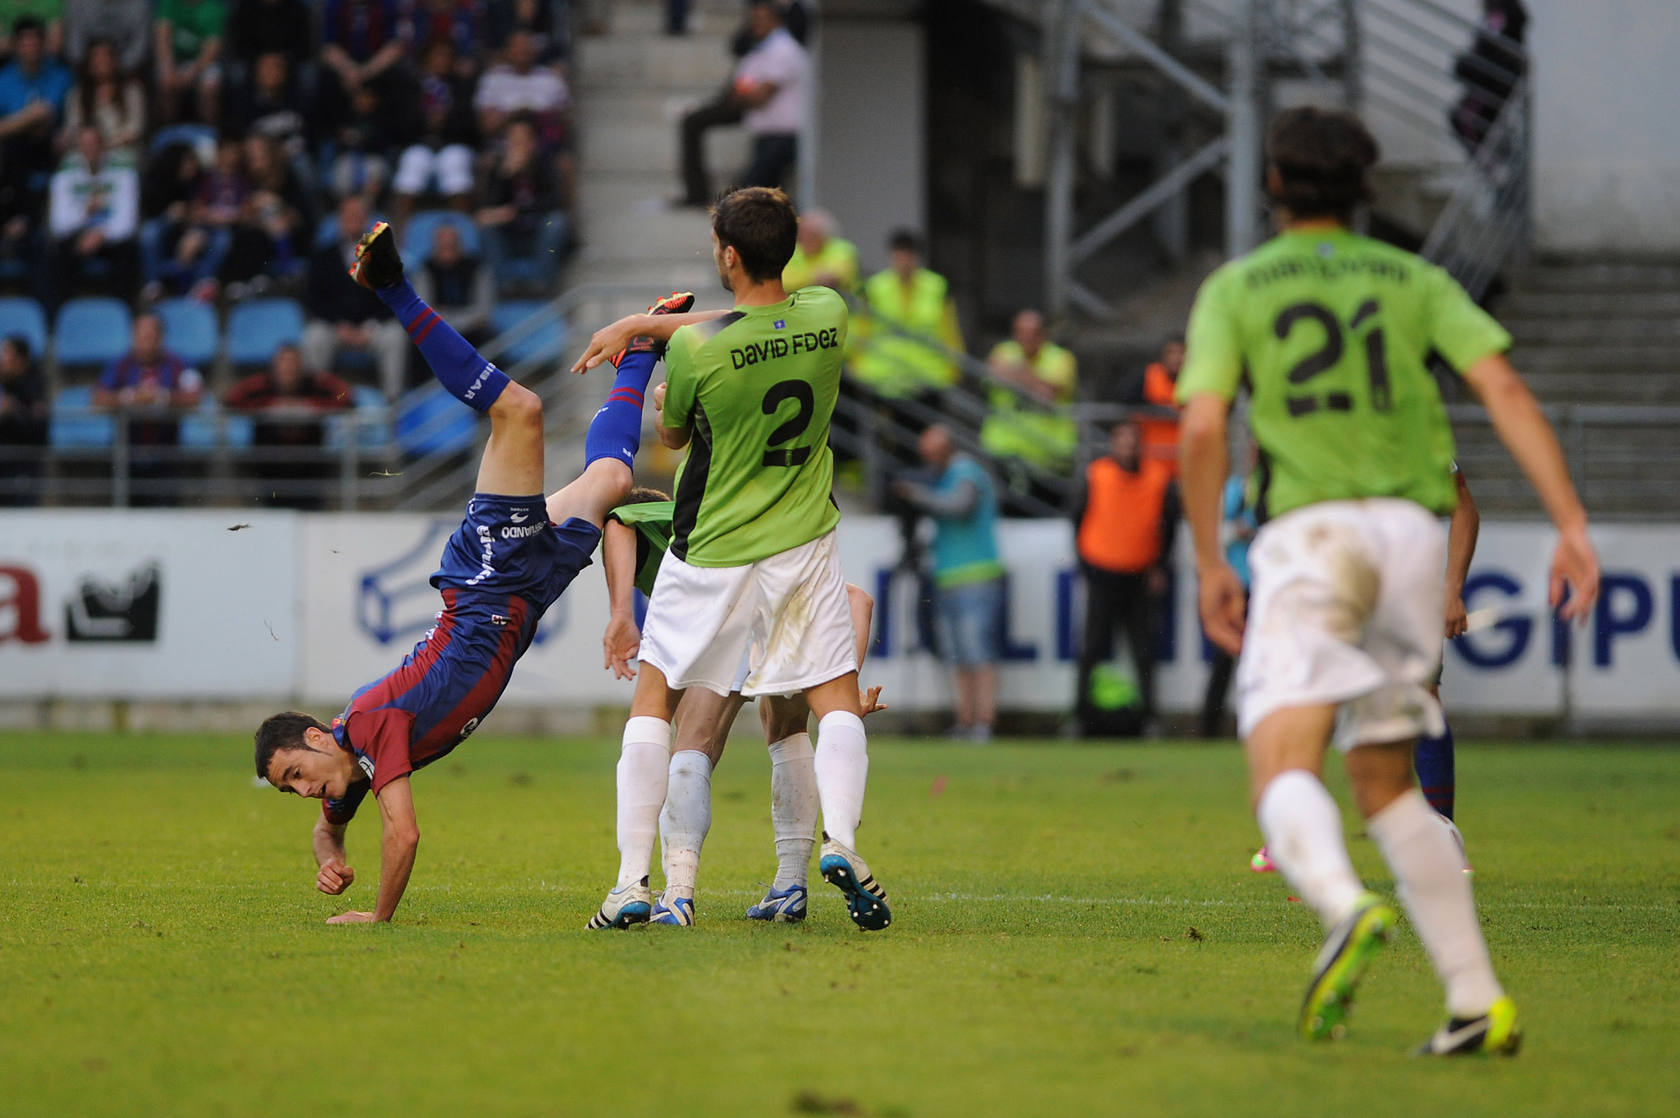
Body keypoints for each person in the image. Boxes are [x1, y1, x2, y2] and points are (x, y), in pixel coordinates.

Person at [1177, 105, 1598, 1055]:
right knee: (1387, 779)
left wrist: (1209, 559)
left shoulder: (1239, 287)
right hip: (1414, 533)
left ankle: (1339, 908)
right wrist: (1571, 523)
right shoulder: (1414, 279)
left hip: (1313, 533)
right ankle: (1474, 999)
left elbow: (1202, 429)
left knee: (1281, 761)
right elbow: (1505, 390)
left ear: (1275, 187)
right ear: (1365, 190)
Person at [253, 221, 682, 924]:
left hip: (488, 582)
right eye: (290, 790)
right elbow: (330, 824)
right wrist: (328, 853)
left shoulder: (367, 726)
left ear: (317, 739)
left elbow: (405, 834)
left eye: (296, 775)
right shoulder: (343, 766)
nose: (305, 792)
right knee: (610, 477)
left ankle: (389, 288)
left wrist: (378, 918)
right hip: (526, 600)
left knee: (520, 411)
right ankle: (641, 348)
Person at [571, 186, 889, 933]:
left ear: (727, 254)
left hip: (712, 551)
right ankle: (838, 843)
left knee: (655, 704)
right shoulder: (827, 314)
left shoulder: (695, 348)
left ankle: (632, 883)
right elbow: (756, 321)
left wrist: (644, 327)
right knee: (832, 701)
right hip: (803, 541)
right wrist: (648, 319)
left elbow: (675, 437)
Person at [599, 482, 883, 924]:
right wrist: (848, 696)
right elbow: (858, 600)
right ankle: (791, 886)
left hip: (728, 598)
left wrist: (619, 612)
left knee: (693, 743)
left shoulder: (672, 521)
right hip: (780, 599)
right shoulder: (777, 529)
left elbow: (619, 519)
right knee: (787, 730)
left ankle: (677, 895)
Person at [890, 424, 1004, 742]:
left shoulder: (965, 470)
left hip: (976, 574)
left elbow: (961, 506)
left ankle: (983, 720)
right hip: (950, 574)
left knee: (977, 651)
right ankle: (966, 720)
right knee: (959, 653)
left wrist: (916, 494)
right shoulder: (948, 475)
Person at [1072, 418, 1175, 736]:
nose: (1127, 448)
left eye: (1132, 442)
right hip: (1102, 572)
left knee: (1144, 649)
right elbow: (1076, 517)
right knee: (1091, 646)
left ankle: (1150, 719)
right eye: (1121, 441)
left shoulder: (1158, 477)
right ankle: (1080, 716)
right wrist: (1084, 563)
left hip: (1140, 574)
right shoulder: (1096, 474)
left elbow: (1170, 524)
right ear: (1113, 444)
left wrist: (1160, 565)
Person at [675, 0, 805, 207]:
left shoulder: (784, 49)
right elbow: (737, 92)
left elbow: (758, 97)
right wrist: (746, 93)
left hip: (783, 138)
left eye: (761, 19)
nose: (755, 24)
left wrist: (746, 94)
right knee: (763, 200)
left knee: (748, 197)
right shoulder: (758, 49)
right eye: (753, 20)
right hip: (765, 136)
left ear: (776, 21)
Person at [850, 228, 962, 467]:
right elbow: (862, 329)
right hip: (884, 380)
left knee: (926, 445)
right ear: (892, 256)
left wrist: (954, 366)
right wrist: (857, 363)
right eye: (899, 254)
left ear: (917, 257)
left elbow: (949, 329)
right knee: (888, 443)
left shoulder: (937, 286)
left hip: (926, 379)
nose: (904, 260)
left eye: (908, 255)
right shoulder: (874, 287)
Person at [222, 342, 353, 508]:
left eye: (293, 365)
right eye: (284, 365)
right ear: (274, 368)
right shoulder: (261, 385)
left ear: (302, 367)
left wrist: (312, 406)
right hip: (268, 473)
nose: (288, 371)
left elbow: (345, 395)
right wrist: (269, 406)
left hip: (310, 472)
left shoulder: (315, 384)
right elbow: (230, 399)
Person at [93, 312, 204, 505]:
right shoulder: (121, 365)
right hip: (128, 455)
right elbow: (98, 397)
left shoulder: (178, 364)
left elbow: (195, 397)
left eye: (150, 336)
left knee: (166, 511)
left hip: (166, 454)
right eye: (141, 336)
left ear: (160, 338)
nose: (145, 342)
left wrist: (163, 397)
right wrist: (129, 397)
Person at [303, 194, 408, 398]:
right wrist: (339, 325)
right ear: (339, 219)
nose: (353, 219)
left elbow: (395, 296)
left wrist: (370, 327)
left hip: (373, 328)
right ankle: (317, 399)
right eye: (348, 215)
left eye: (358, 215)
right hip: (335, 328)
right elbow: (313, 300)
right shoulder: (322, 256)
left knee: (395, 336)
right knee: (314, 336)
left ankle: (393, 402)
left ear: (367, 219)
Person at [979, 308, 1078, 506]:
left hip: (1048, 454)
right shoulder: (1003, 350)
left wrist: (1015, 372)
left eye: (1032, 334)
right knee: (1009, 510)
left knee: (1047, 512)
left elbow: (1049, 394)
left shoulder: (1061, 358)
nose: (1026, 339)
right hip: (1006, 448)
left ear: (1043, 335)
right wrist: (1035, 381)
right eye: (1021, 333)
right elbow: (988, 374)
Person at [1198, 447, 1256, 739]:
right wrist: (1241, 529)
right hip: (1236, 583)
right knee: (1224, 657)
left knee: (1261, 660)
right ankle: (1209, 727)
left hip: (1265, 583)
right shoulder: (1237, 489)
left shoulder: (1276, 486)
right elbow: (1217, 531)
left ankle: (1256, 727)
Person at [48, 124, 139, 305]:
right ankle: (60, 315)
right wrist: (84, 213)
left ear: (103, 145)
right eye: (85, 144)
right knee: (57, 252)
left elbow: (128, 220)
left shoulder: (124, 169)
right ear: (79, 147)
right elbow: (58, 223)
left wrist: (102, 234)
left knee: (128, 250)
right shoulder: (65, 170)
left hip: (110, 236)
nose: (90, 149)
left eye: (94, 143)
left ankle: (123, 312)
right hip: (78, 235)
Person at [1450, 0, 1528, 158]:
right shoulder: (1502, 11)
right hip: (1493, 79)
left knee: (1465, 121)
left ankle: (1493, 170)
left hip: (1493, 80)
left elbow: (1489, 44)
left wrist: (1466, 66)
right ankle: (1496, 168)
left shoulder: (1501, 12)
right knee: (1469, 122)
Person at [412, 220, 492, 341]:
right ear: (435, 244)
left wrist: (460, 324)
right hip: (436, 328)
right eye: (443, 244)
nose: (447, 247)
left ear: (459, 244)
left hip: (472, 328)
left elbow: (483, 309)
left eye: (451, 244)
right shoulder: (425, 269)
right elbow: (423, 307)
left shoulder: (477, 268)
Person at [154, 0, 226, 125]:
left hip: (202, 62)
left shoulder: (214, 8)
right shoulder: (169, 3)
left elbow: (212, 48)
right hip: (174, 60)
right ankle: (167, 129)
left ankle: (209, 130)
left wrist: (191, 73)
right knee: (165, 82)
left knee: (209, 88)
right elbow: (162, 36)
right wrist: (169, 67)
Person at [0, 333, 48, 505]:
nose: (2, 358)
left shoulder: (34, 386)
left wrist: (12, 410)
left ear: (20, 359)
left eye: (6, 353)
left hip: (23, 463)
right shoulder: (6, 384)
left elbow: (38, 430)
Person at [781, 208, 857, 295]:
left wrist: (798, 278)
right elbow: (781, 282)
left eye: (812, 235)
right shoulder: (793, 251)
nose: (805, 238)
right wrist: (814, 277)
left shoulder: (841, 249)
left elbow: (831, 278)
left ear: (825, 235)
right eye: (802, 234)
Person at [1136, 334, 1183, 473]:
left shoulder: (1196, 378)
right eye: (1171, 353)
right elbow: (1125, 403)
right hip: (1153, 463)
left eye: (1181, 352)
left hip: (1186, 461)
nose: (1176, 358)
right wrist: (1158, 412)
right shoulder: (1148, 377)